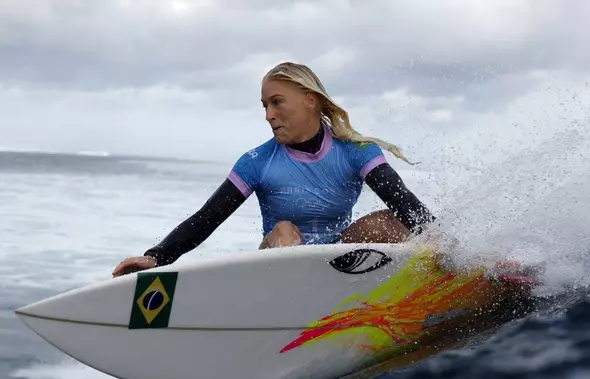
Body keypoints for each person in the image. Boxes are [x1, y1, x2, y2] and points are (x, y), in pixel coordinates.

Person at [112, 62, 436, 277]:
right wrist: (157, 257)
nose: (269, 114)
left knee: (389, 221)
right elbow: (207, 218)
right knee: (284, 229)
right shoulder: (257, 161)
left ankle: (425, 286)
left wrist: (454, 247)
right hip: (279, 267)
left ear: (310, 100)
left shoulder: (355, 151)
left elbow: (404, 201)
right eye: (265, 105)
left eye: (277, 102)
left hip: (338, 262)